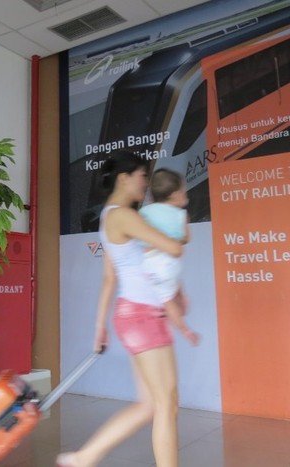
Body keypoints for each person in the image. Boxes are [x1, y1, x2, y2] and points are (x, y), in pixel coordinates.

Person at [57, 150, 184, 467]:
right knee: (166, 404)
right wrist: (175, 211)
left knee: (150, 405)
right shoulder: (124, 216)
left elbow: (109, 278)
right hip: (142, 316)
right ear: (124, 178)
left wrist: (100, 325)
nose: (146, 183)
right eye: (142, 176)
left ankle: (84, 457)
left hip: (135, 314)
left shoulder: (110, 215)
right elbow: (173, 246)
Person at [139, 168, 199, 346]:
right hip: (171, 263)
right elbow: (186, 239)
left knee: (165, 298)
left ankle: (181, 325)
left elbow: (139, 237)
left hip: (151, 264)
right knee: (172, 287)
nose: (186, 193)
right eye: (183, 190)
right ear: (174, 195)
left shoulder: (144, 212)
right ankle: (182, 310)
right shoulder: (181, 215)